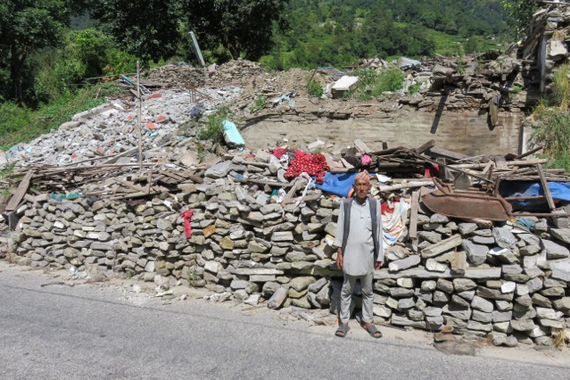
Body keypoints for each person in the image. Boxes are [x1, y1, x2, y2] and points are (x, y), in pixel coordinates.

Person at [333, 170, 384, 338]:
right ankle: (344, 322)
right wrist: (339, 252)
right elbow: (340, 229)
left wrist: (379, 255)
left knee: (368, 290)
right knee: (346, 289)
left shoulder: (374, 204)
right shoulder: (346, 204)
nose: (362, 188)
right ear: (354, 187)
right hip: (349, 254)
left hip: (368, 253)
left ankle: (368, 321)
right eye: (359, 185)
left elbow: (378, 231)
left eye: (365, 185)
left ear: (369, 187)